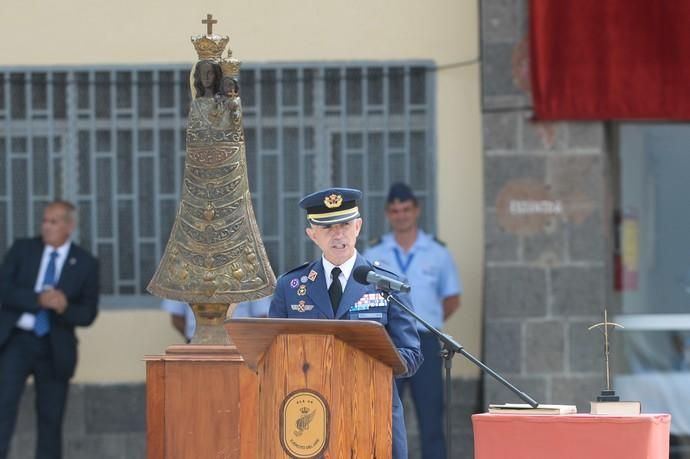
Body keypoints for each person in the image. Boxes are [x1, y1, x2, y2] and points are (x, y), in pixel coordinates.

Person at [270, 187, 423, 459]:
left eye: (344, 225)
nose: (337, 234)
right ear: (312, 234)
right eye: (327, 227)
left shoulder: (386, 285)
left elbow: (411, 355)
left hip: (371, 412)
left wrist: (369, 358)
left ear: (358, 227)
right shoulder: (291, 287)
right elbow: (272, 353)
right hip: (310, 412)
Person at [364, 182, 462, 459]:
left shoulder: (437, 252)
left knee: (431, 416)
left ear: (416, 211)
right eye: (395, 211)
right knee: (385, 418)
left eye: (406, 209)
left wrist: (426, 323)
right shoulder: (374, 254)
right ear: (388, 214)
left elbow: (452, 298)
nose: (401, 215)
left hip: (426, 342)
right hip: (388, 342)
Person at [0, 200, 100, 459]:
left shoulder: (86, 263)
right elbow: (4, 290)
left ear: (69, 226)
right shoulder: (23, 250)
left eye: (53, 222)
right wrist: (37, 299)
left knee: (51, 418)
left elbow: (88, 314)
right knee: (3, 408)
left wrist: (64, 307)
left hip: (55, 346)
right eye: (44, 220)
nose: (46, 226)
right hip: (17, 341)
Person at [162, 297, 272, 343]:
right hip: (196, 346)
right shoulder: (185, 269)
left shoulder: (248, 268)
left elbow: (261, 318)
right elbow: (177, 318)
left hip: (239, 347)